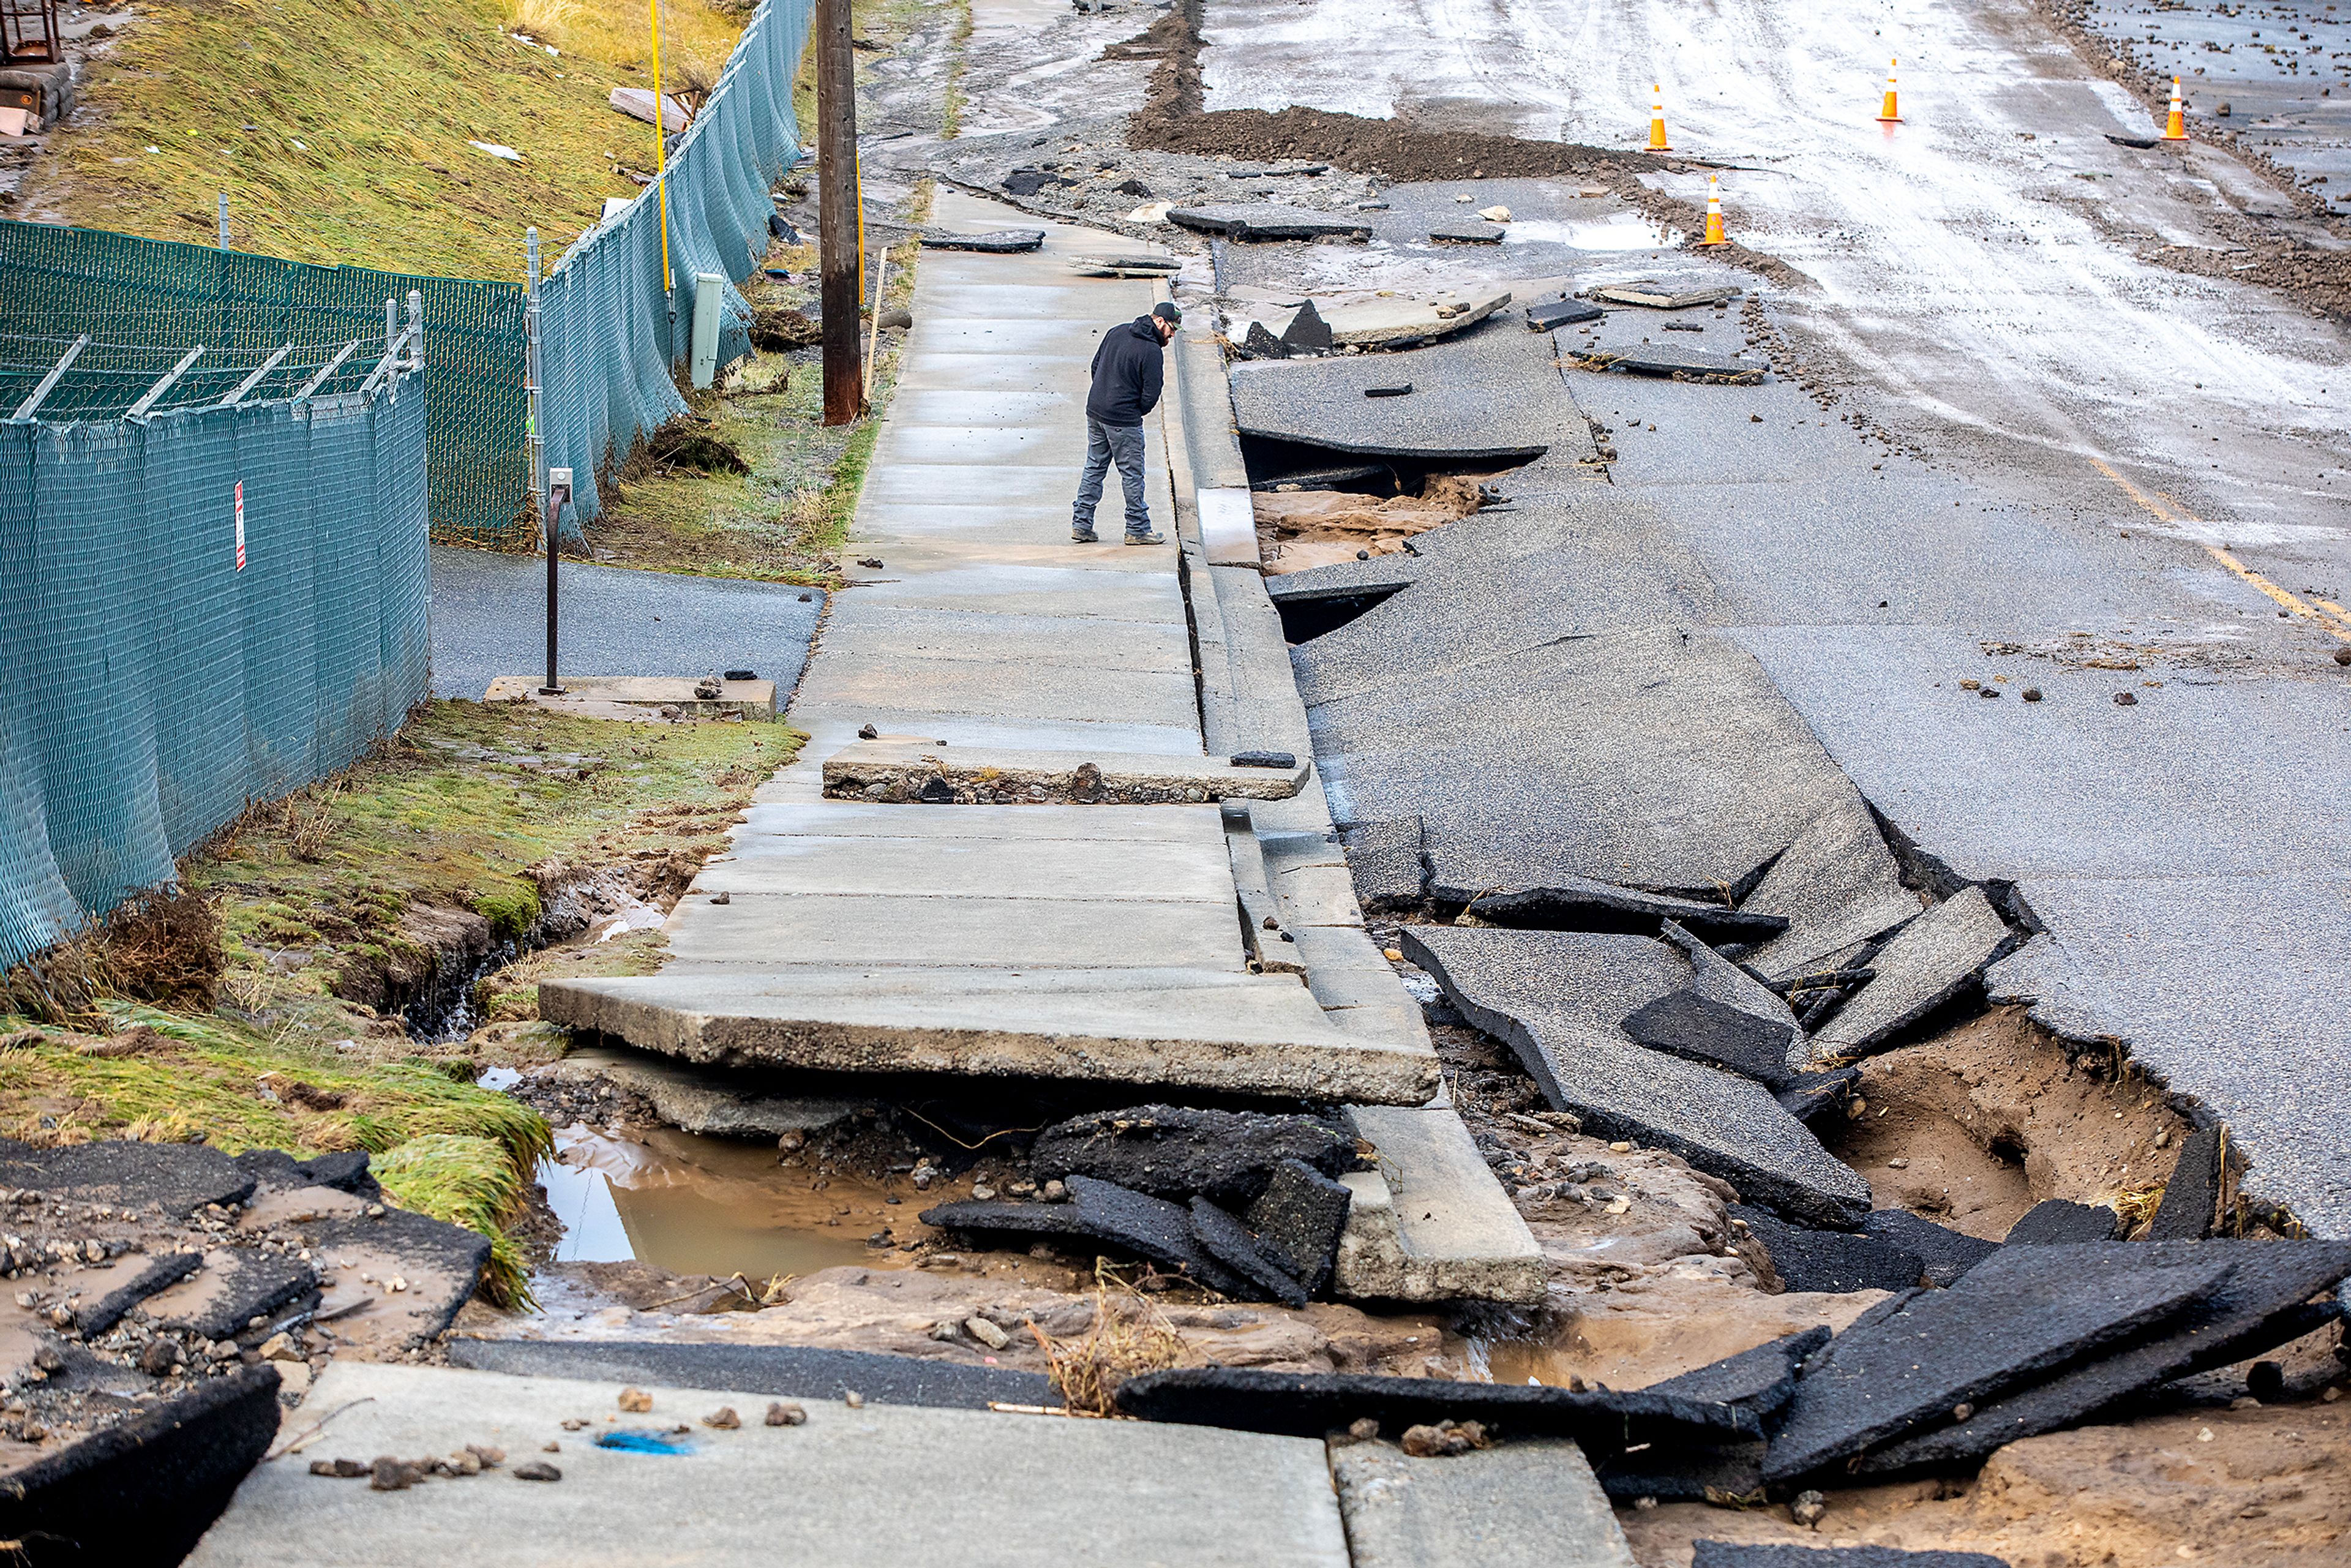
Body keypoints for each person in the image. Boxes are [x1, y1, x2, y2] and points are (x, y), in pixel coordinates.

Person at [1072, 301, 1180, 546]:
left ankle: (1081, 524)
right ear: (1160, 322)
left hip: (1096, 412)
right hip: (1124, 420)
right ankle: (1137, 529)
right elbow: (1152, 394)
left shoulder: (1117, 330)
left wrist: (1104, 395)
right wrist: (1134, 411)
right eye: (1171, 329)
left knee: (1094, 468)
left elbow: (1095, 366)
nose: (1172, 335)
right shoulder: (1152, 351)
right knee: (1132, 475)